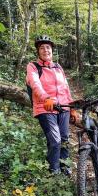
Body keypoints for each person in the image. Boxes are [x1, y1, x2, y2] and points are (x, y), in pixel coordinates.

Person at [26, 35, 78, 175]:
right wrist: (47, 98)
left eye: (48, 47)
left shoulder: (58, 67)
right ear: (38, 51)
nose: (45, 50)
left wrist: (71, 108)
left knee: (65, 139)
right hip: (45, 107)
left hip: (63, 107)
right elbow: (35, 84)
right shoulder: (33, 66)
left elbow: (66, 88)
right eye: (42, 48)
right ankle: (54, 173)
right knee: (55, 141)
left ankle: (65, 168)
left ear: (52, 50)